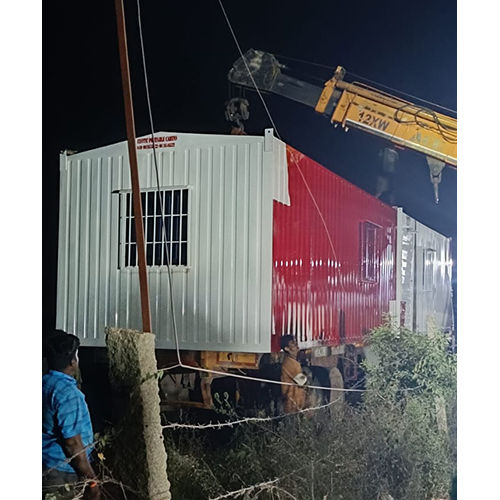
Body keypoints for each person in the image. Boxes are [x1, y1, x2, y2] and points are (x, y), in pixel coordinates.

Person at [42, 332, 101, 499]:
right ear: (73, 361)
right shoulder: (67, 394)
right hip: (61, 472)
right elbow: (72, 443)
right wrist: (91, 480)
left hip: (45, 461)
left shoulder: (44, 383)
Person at [280, 335, 307, 413]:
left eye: (295, 342)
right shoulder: (289, 363)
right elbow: (302, 381)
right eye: (292, 343)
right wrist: (307, 376)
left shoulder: (293, 361)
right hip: (291, 401)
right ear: (287, 349)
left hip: (295, 400)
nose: (296, 345)